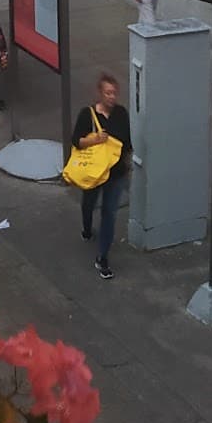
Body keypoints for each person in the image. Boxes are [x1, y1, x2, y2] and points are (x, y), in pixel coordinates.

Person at [72, 73, 133, 280]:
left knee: (109, 214)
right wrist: (96, 140)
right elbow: (76, 141)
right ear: (100, 94)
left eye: (114, 93)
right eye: (108, 93)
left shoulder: (121, 114)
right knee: (88, 204)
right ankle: (87, 228)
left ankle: (103, 257)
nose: (112, 97)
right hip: (94, 174)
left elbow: (127, 141)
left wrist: (127, 162)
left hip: (115, 175)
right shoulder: (87, 115)